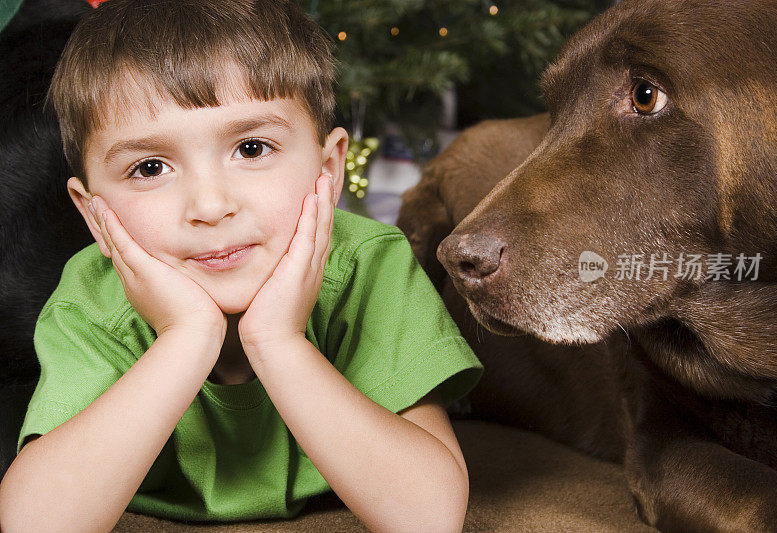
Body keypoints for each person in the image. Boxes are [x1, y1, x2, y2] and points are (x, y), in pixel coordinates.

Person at [0, 0, 484, 531]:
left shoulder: (371, 266)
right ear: (95, 214)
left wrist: (278, 339)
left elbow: (428, 516)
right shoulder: (90, 298)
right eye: (150, 167)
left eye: (252, 148)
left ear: (328, 168)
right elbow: (35, 523)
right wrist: (185, 335)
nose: (210, 207)